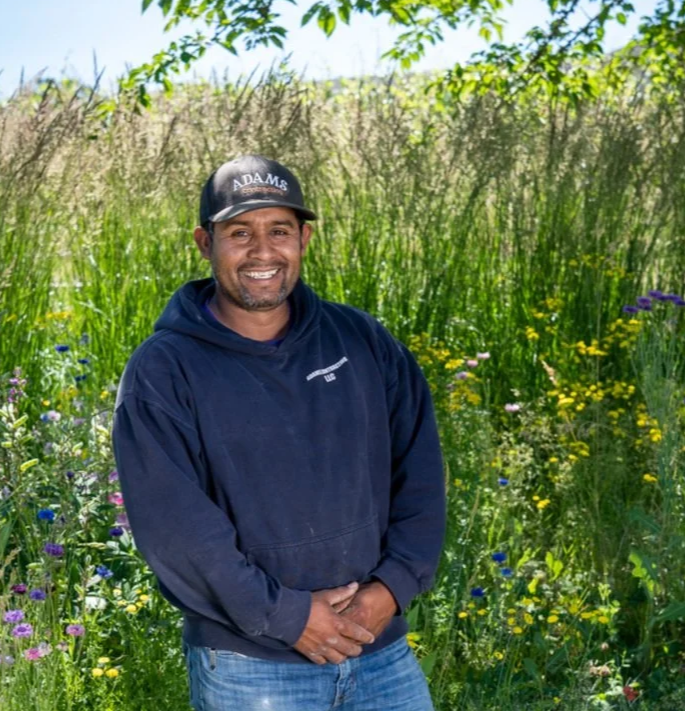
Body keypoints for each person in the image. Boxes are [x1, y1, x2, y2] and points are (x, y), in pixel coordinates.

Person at [112, 154, 446, 710]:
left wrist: (390, 591)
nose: (262, 252)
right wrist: (287, 617)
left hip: (381, 653)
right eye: (239, 232)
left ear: (304, 239)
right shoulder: (164, 371)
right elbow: (176, 530)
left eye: (279, 231)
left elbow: (420, 473)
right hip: (252, 668)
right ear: (204, 242)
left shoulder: (360, 340)